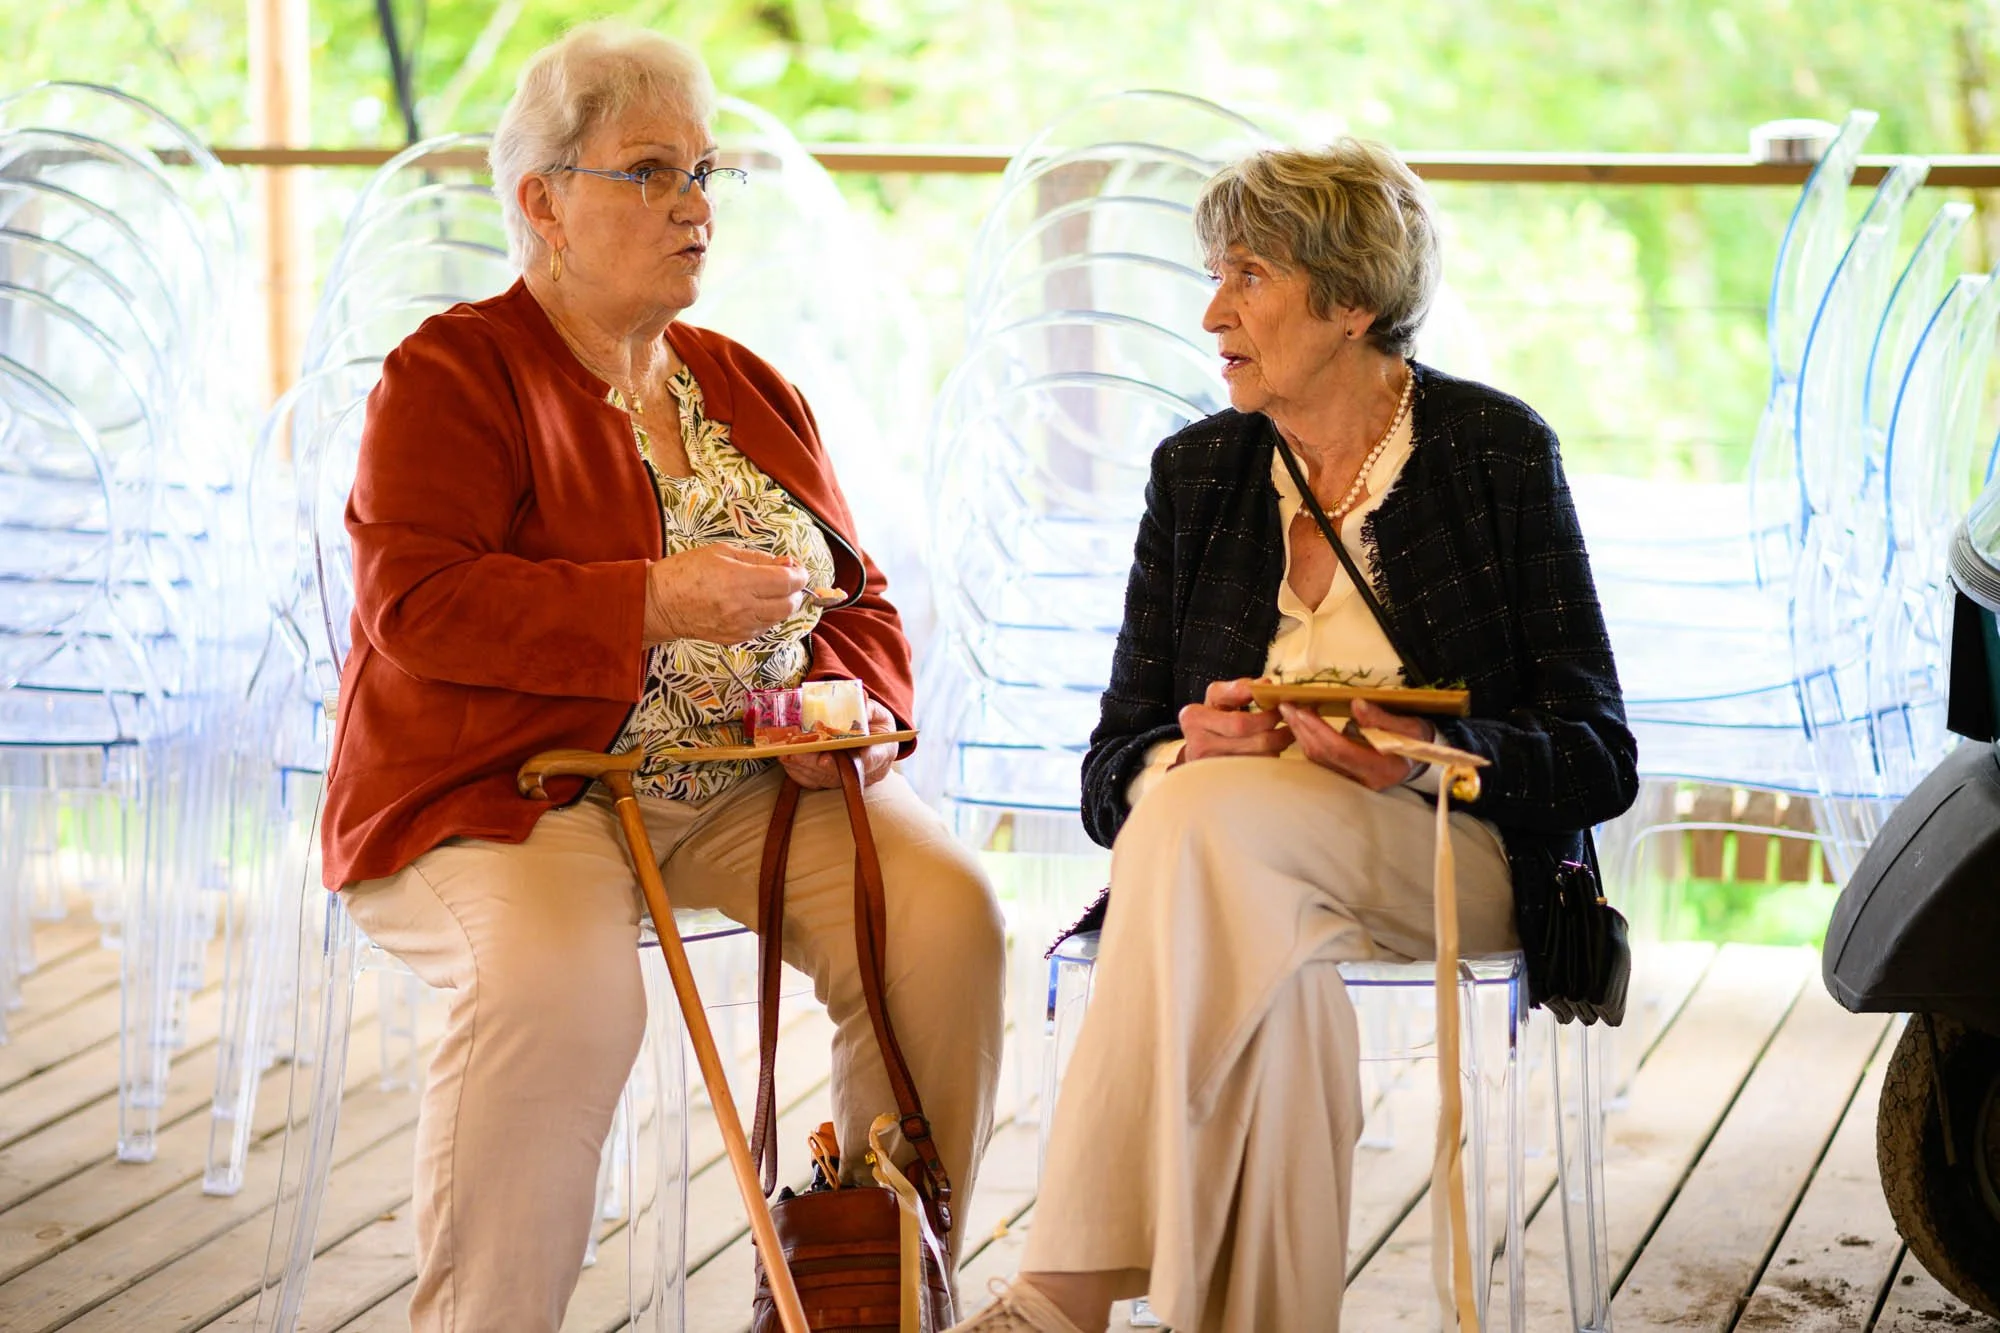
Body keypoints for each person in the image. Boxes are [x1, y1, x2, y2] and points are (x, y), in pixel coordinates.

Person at [321, 22, 1005, 1332]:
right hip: (522, 791)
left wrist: (852, 714)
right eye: (651, 173)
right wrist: (648, 601)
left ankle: (867, 1300)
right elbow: (417, 606)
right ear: (543, 202)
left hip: (745, 786)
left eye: (705, 174)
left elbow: (857, 597)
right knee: (563, 994)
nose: (694, 206)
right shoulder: (453, 374)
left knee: (947, 915)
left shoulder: (744, 386)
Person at [951, 140, 1638, 1332]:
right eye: (1212, 274)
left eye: (1248, 276)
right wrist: (1183, 744)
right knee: (1249, 931)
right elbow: (1111, 770)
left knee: (1188, 826)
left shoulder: (1492, 451)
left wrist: (1419, 754)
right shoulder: (1199, 473)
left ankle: (1056, 1292)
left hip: (1441, 856)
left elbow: (1595, 750)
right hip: (1227, 879)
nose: (1212, 310)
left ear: (1350, 302)